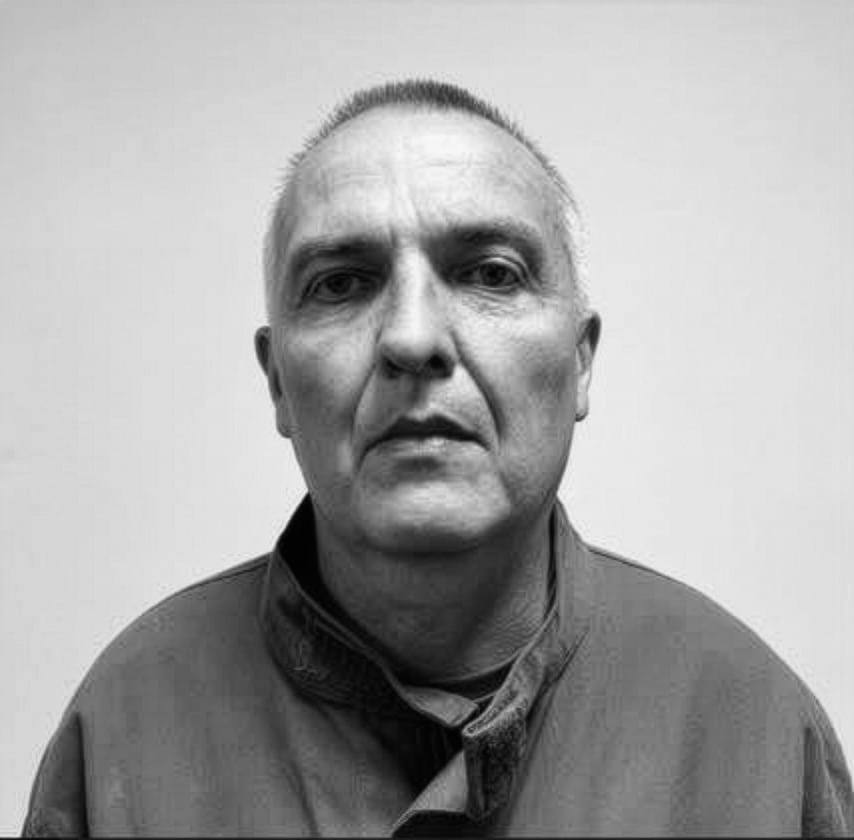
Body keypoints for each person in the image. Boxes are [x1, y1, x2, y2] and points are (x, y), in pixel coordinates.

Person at [24, 79, 852, 837]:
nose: (412, 337)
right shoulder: (125, 726)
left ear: (580, 363)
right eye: (342, 283)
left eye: (490, 273)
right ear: (278, 382)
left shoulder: (753, 732)